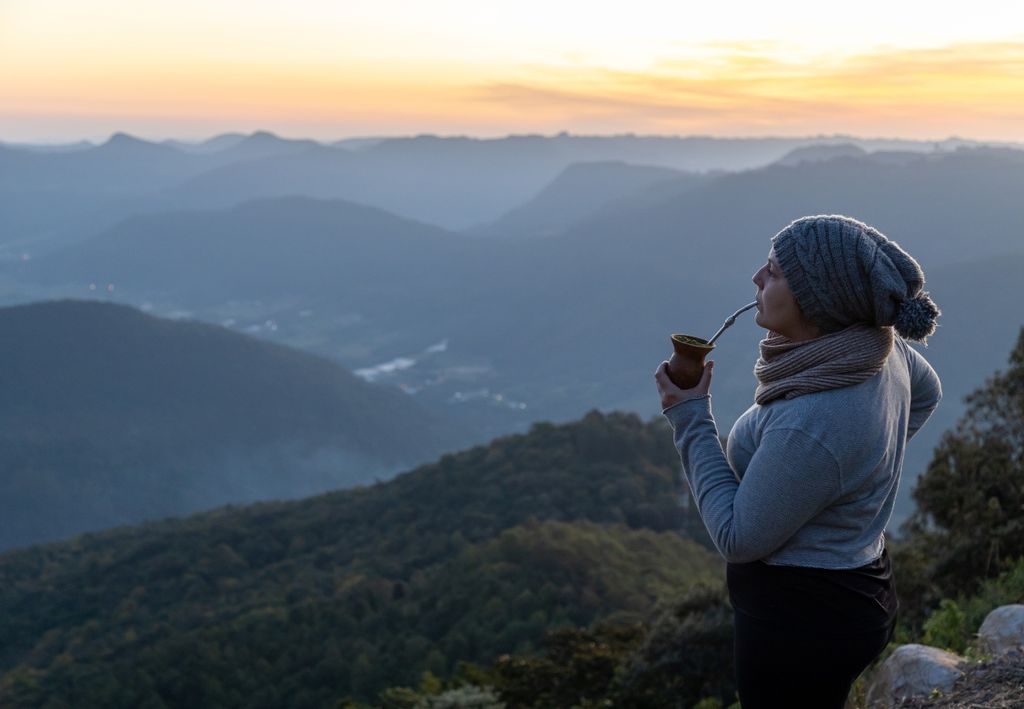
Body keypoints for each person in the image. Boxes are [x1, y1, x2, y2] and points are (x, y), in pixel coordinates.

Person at [653, 214, 942, 708]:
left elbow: (738, 539)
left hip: (801, 621)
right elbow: (926, 393)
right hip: (859, 583)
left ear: (817, 299)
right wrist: (853, 478)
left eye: (774, 272)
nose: (757, 279)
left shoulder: (812, 423)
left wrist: (690, 417)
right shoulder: (874, 348)